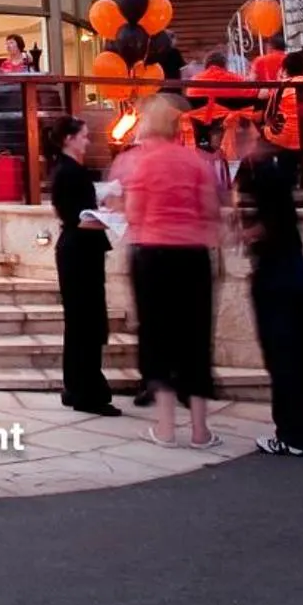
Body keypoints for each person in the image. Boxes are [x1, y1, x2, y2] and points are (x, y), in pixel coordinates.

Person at [110, 93, 223, 447]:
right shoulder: (195, 163)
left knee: (158, 336)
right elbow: (210, 209)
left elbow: (134, 214)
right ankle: (201, 430)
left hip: (153, 254)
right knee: (195, 335)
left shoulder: (141, 164)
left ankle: (165, 428)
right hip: (192, 254)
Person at [236, 135, 303, 456]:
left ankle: (292, 433)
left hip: (276, 273)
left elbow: (271, 225)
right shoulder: (278, 172)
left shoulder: (263, 177)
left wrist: (241, 233)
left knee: (281, 355)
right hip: (295, 270)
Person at [48, 116, 119, 416]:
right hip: (80, 251)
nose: (88, 141)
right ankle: (87, 392)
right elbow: (79, 217)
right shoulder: (70, 172)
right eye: (84, 136)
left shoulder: (68, 171)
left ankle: (75, 385)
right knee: (86, 321)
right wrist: (113, 220)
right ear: (68, 138)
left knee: (80, 322)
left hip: (76, 250)